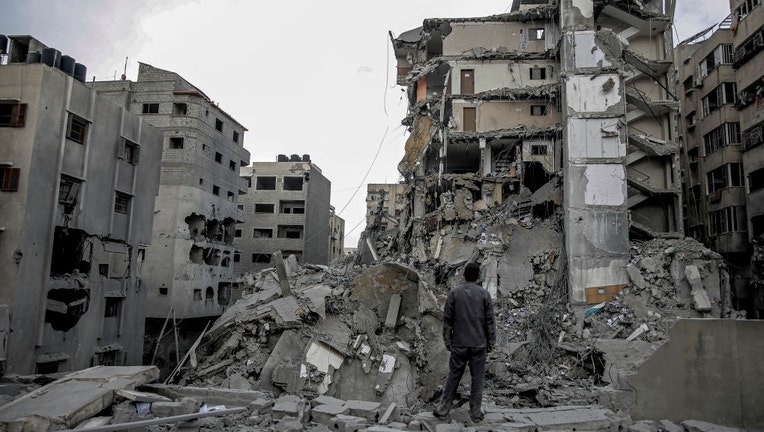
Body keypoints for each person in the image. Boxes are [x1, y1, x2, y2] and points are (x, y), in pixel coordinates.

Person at [434, 262, 496, 423]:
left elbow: (448, 320)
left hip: (459, 343)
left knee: (454, 376)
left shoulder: (454, 293)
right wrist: (491, 342)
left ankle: (443, 409)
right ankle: (475, 412)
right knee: (477, 379)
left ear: (463, 275)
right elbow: (490, 321)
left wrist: (447, 340)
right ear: (478, 276)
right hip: (479, 344)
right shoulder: (484, 294)